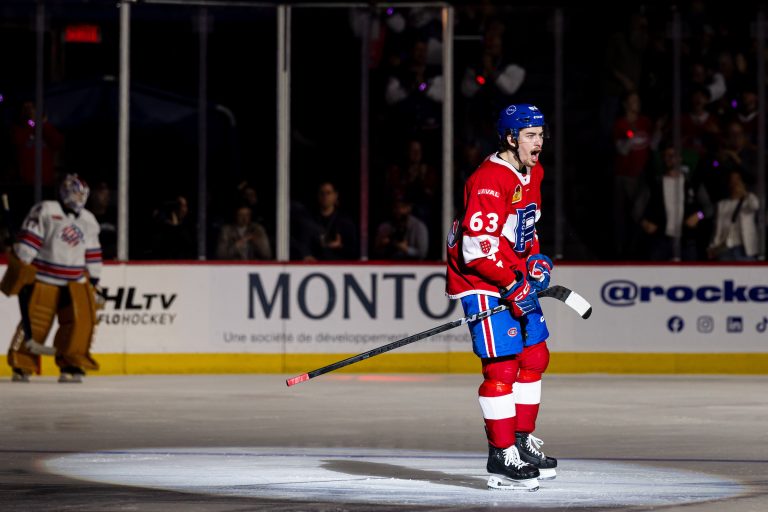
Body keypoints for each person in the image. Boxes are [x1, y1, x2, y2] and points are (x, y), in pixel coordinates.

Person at [445, 104, 556, 491]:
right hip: (481, 279)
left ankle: (522, 441)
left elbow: (525, 228)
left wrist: (536, 261)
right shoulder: (490, 179)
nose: (538, 142)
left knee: (535, 356)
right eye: (530, 135)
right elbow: (476, 249)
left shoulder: (534, 171)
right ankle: (501, 452)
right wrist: (512, 284)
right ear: (510, 138)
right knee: (503, 368)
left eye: (541, 133)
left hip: (510, 271)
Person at [0, 174, 103, 383]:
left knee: (78, 325)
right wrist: (22, 254)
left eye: (82, 193)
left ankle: (72, 363)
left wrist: (94, 278)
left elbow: (92, 250)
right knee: (36, 323)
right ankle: (22, 364)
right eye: (75, 192)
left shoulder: (88, 220)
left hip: (75, 282)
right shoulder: (46, 210)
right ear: (64, 192)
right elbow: (31, 239)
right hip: (44, 279)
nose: (79, 197)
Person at [707, 170, 759, 261]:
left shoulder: (747, 201)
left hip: (744, 249)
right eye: (732, 180)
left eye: (737, 180)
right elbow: (718, 228)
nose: (735, 183)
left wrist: (744, 193)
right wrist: (713, 246)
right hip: (725, 249)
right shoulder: (722, 204)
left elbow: (755, 205)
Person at [373, 196, 429, 260]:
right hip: (388, 266)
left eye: (402, 207)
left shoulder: (419, 227)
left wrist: (406, 249)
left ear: (409, 208)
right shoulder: (385, 227)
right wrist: (382, 245)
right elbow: (376, 252)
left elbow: (422, 254)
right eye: (395, 207)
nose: (398, 211)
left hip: (411, 267)